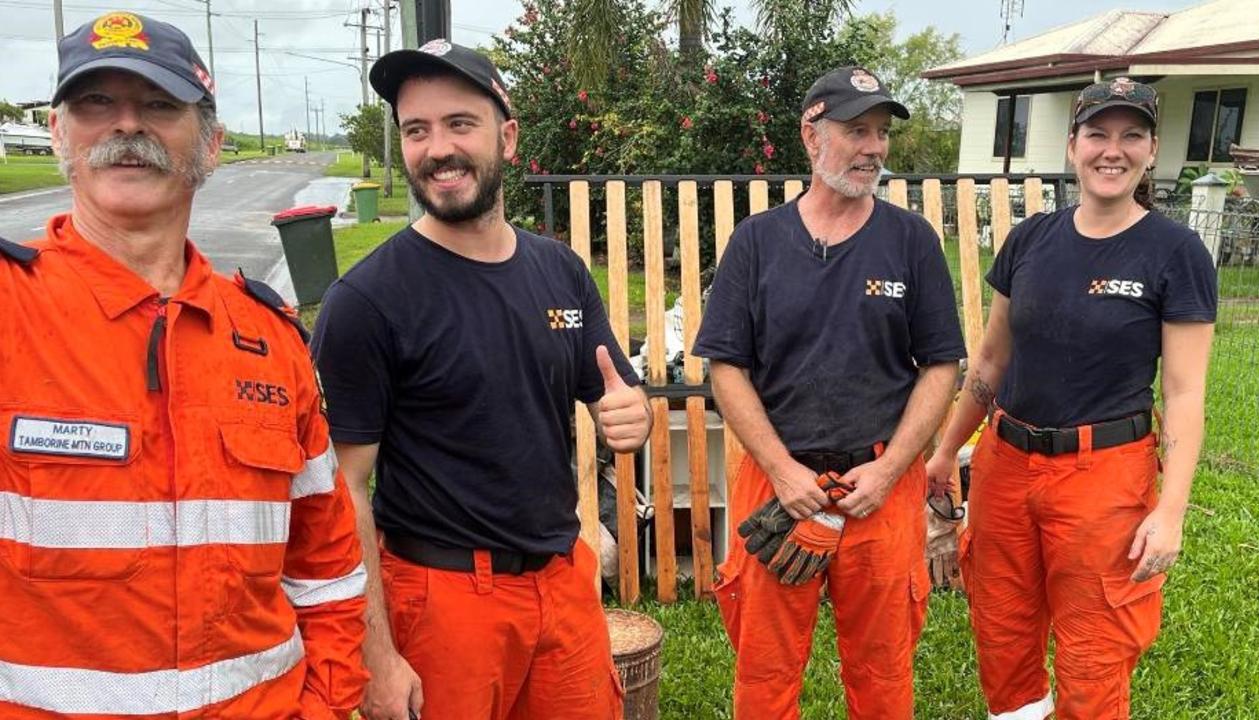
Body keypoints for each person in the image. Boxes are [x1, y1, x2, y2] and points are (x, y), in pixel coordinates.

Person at [0, 12, 368, 719]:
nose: (125, 126)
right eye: (95, 103)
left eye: (161, 105)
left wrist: (324, 703)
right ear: (58, 132)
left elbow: (325, 567)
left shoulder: (269, 337)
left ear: (212, 145)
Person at [312, 40, 652, 720]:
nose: (438, 148)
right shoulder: (368, 301)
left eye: (459, 123)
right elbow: (341, 489)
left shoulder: (560, 272)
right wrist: (376, 656)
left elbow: (616, 393)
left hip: (562, 587)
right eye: (417, 130)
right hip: (441, 600)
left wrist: (632, 415)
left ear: (508, 135)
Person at [925, 77, 1217, 720]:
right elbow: (993, 360)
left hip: (1104, 479)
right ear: (1071, 146)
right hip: (1005, 466)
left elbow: (1186, 391)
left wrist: (1171, 510)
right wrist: (947, 450)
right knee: (1003, 640)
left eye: (1131, 136)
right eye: (1098, 135)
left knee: (1093, 658)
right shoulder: (1029, 241)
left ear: (1151, 150)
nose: (1112, 151)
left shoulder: (1176, 252)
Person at [693, 66, 966, 719]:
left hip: (880, 482)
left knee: (883, 671)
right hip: (777, 483)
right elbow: (724, 367)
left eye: (881, 134)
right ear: (811, 136)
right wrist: (783, 471)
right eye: (856, 131)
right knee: (764, 670)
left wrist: (891, 468)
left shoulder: (911, 242)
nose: (874, 147)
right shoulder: (757, 243)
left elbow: (941, 365)